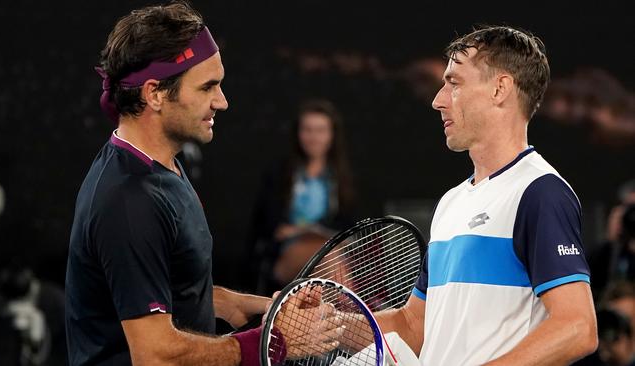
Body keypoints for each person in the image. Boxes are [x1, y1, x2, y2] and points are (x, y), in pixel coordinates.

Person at [65, 2, 341, 365]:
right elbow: (156, 354)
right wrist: (273, 341)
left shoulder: (163, 169)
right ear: (155, 94)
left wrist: (272, 308)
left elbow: (184, 291)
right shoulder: (130, 201)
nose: (221, 102)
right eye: (207, 87)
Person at [373, 25, 598, 365]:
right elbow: (414, 324)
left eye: (453, 83)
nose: (438, 100)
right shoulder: (451, 203)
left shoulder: (540, 192)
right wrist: (325, 326)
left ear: (499, 89)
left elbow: (578, 326)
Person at [250, 99, 355, 291]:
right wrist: (298, 233)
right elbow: (269, 226)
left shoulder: (340, 177)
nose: (314, 137)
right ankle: (356, 311)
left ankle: (343, 311)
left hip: (332, 250)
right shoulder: (279, 173)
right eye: (308, 130)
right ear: (298, 133)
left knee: (330, 258)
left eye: (321, 130)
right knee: (329, 256)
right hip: (285, 255)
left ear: (332, 135)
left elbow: (347, 226)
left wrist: (306, 229)